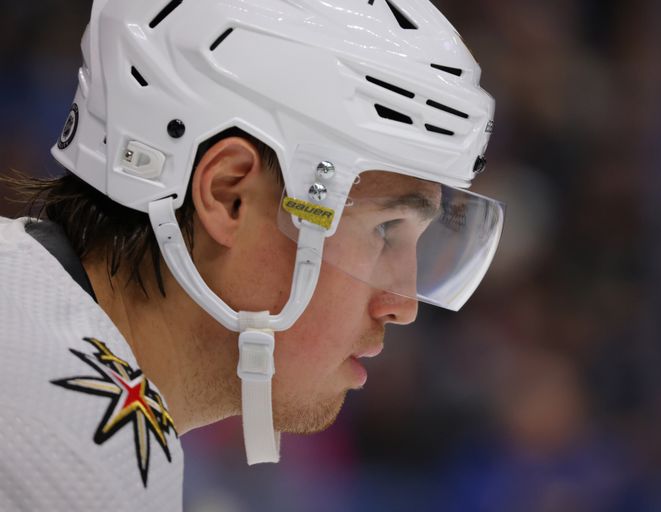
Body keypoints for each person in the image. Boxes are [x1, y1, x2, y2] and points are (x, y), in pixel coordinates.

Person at [0, 0, 503, 509]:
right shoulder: (68, 448)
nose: (403, 304)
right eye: (386, 229)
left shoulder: (37, 338)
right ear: (229, 196)